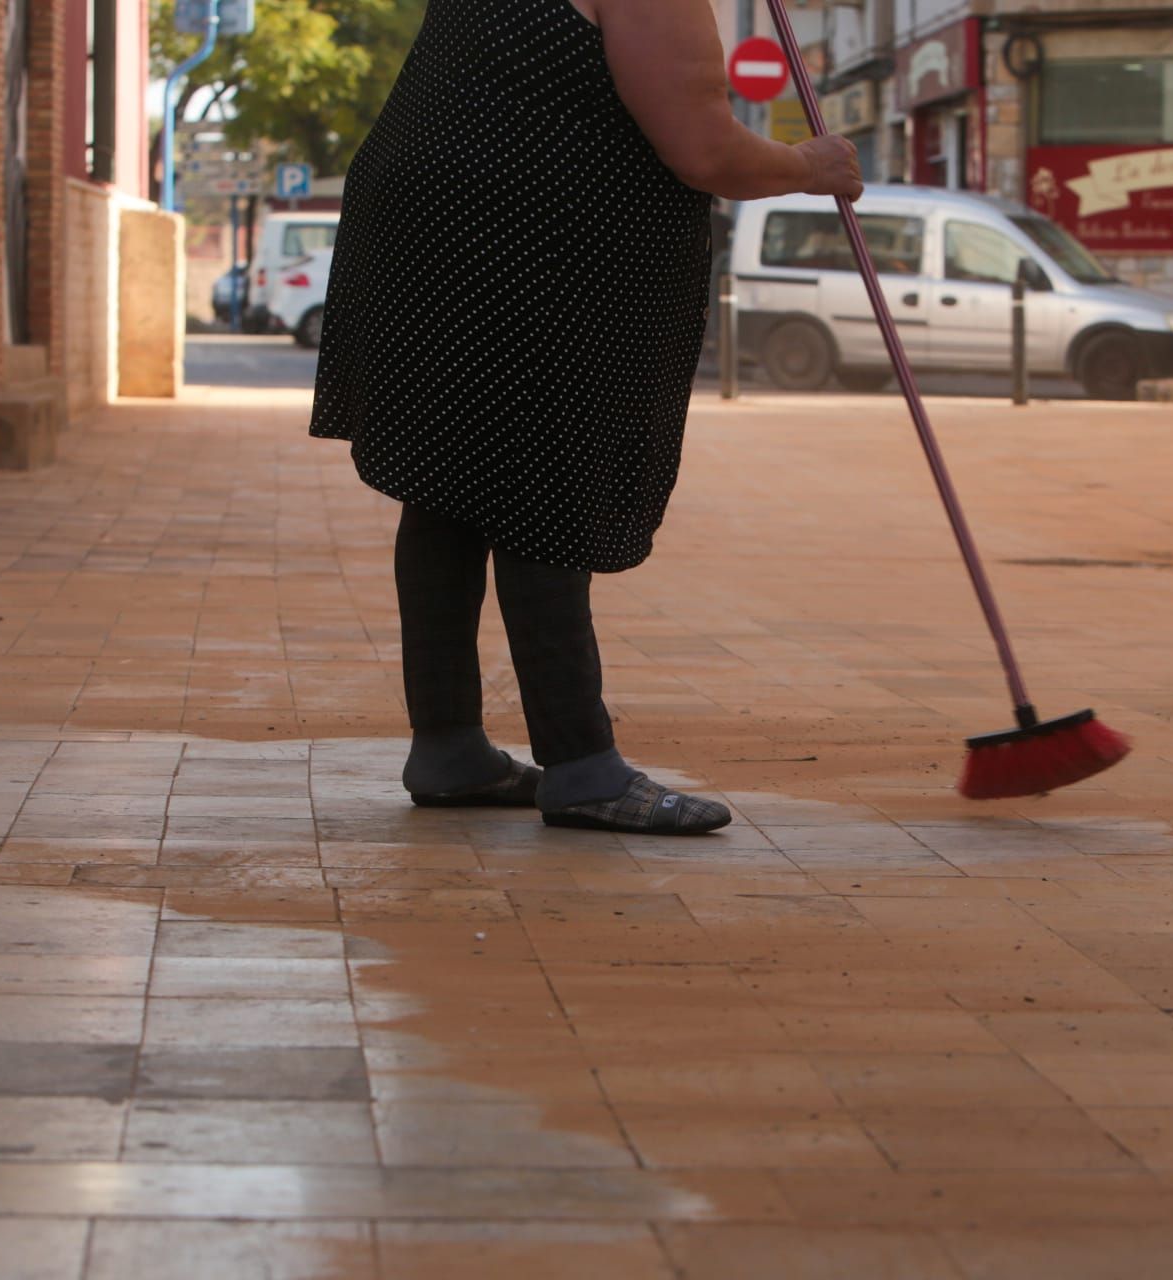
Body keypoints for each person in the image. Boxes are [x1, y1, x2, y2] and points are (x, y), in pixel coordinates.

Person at [310, 0, 861, 834]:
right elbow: (705, 150)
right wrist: (809, 166)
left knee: (451, 480)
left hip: (429, 223)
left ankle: (450, 746)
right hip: (530, 236)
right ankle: (583, 766)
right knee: (547, 476)